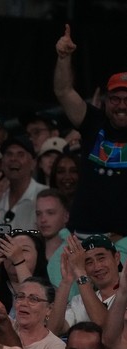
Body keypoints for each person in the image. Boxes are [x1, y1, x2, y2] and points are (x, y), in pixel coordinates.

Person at [54, 24, 127, 238]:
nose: (121, 105)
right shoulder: (93, 121)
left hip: (123, 240)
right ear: (105, 101)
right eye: (115, 99)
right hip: (81, 234)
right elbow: (63, 91)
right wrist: (63, 57)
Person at [48, 234, 121, 336]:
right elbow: (52, 331)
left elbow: (104, 327)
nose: (97, 267)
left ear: (117, 258)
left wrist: (80, 273)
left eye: (101, 259)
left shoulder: (124, 297)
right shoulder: (79, 301)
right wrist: (66, 282)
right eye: (89, 262)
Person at [11, 278, 66, 349]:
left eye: (33, 299)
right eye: (20, 297)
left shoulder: (56, 347)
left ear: (49, 309)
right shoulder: (5, 328)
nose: (24, 303)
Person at [0, 228, 49, 316]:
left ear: (38, 257)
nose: (13, 254)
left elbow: (33, 298)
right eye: (9, 249)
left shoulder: (49, 292)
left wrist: (19, 261)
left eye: (24, 250)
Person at [0, 136, 48, 231]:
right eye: (9, 154)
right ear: (2, 164)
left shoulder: (45, 196)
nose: (13, 159)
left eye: (20, 155)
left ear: (33, 163)